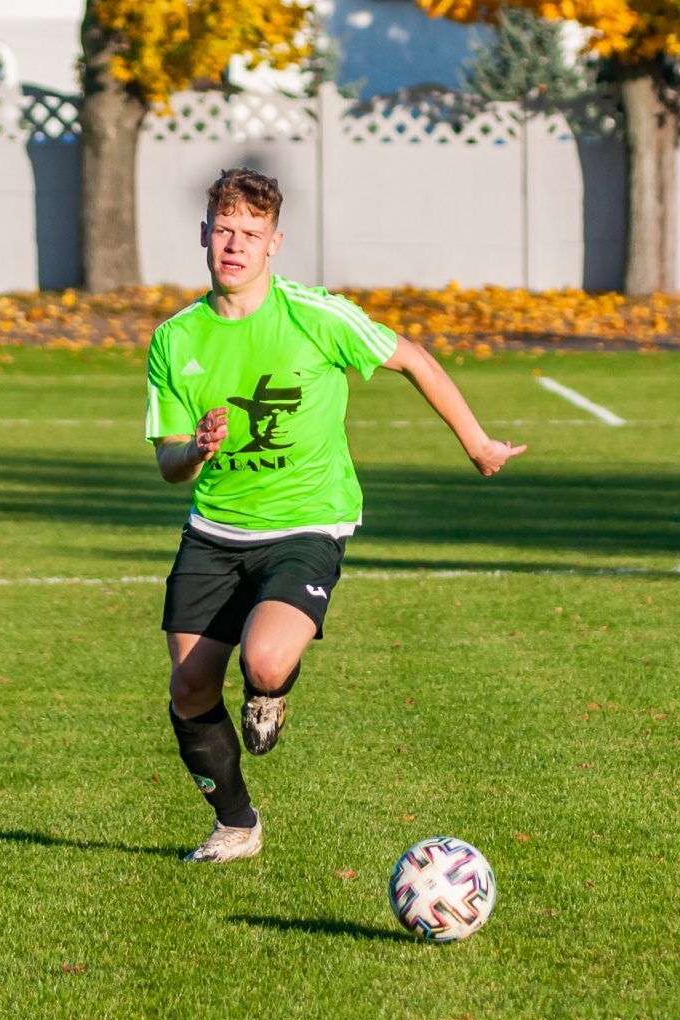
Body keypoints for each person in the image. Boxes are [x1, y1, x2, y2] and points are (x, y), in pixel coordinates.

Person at [146, 168, 526, 863]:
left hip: (307, 522)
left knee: (262, 660)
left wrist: (477, 444)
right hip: (213, 531)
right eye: (224, 230)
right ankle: (236, 825)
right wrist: (196, 450)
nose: (235, 245)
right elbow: (168, 462)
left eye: (250, 234)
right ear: (204, 235)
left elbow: (412, 360)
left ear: (274, 244)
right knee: (190, 687)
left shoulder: (315, 315)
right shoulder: (176, 339)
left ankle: (272, 690)